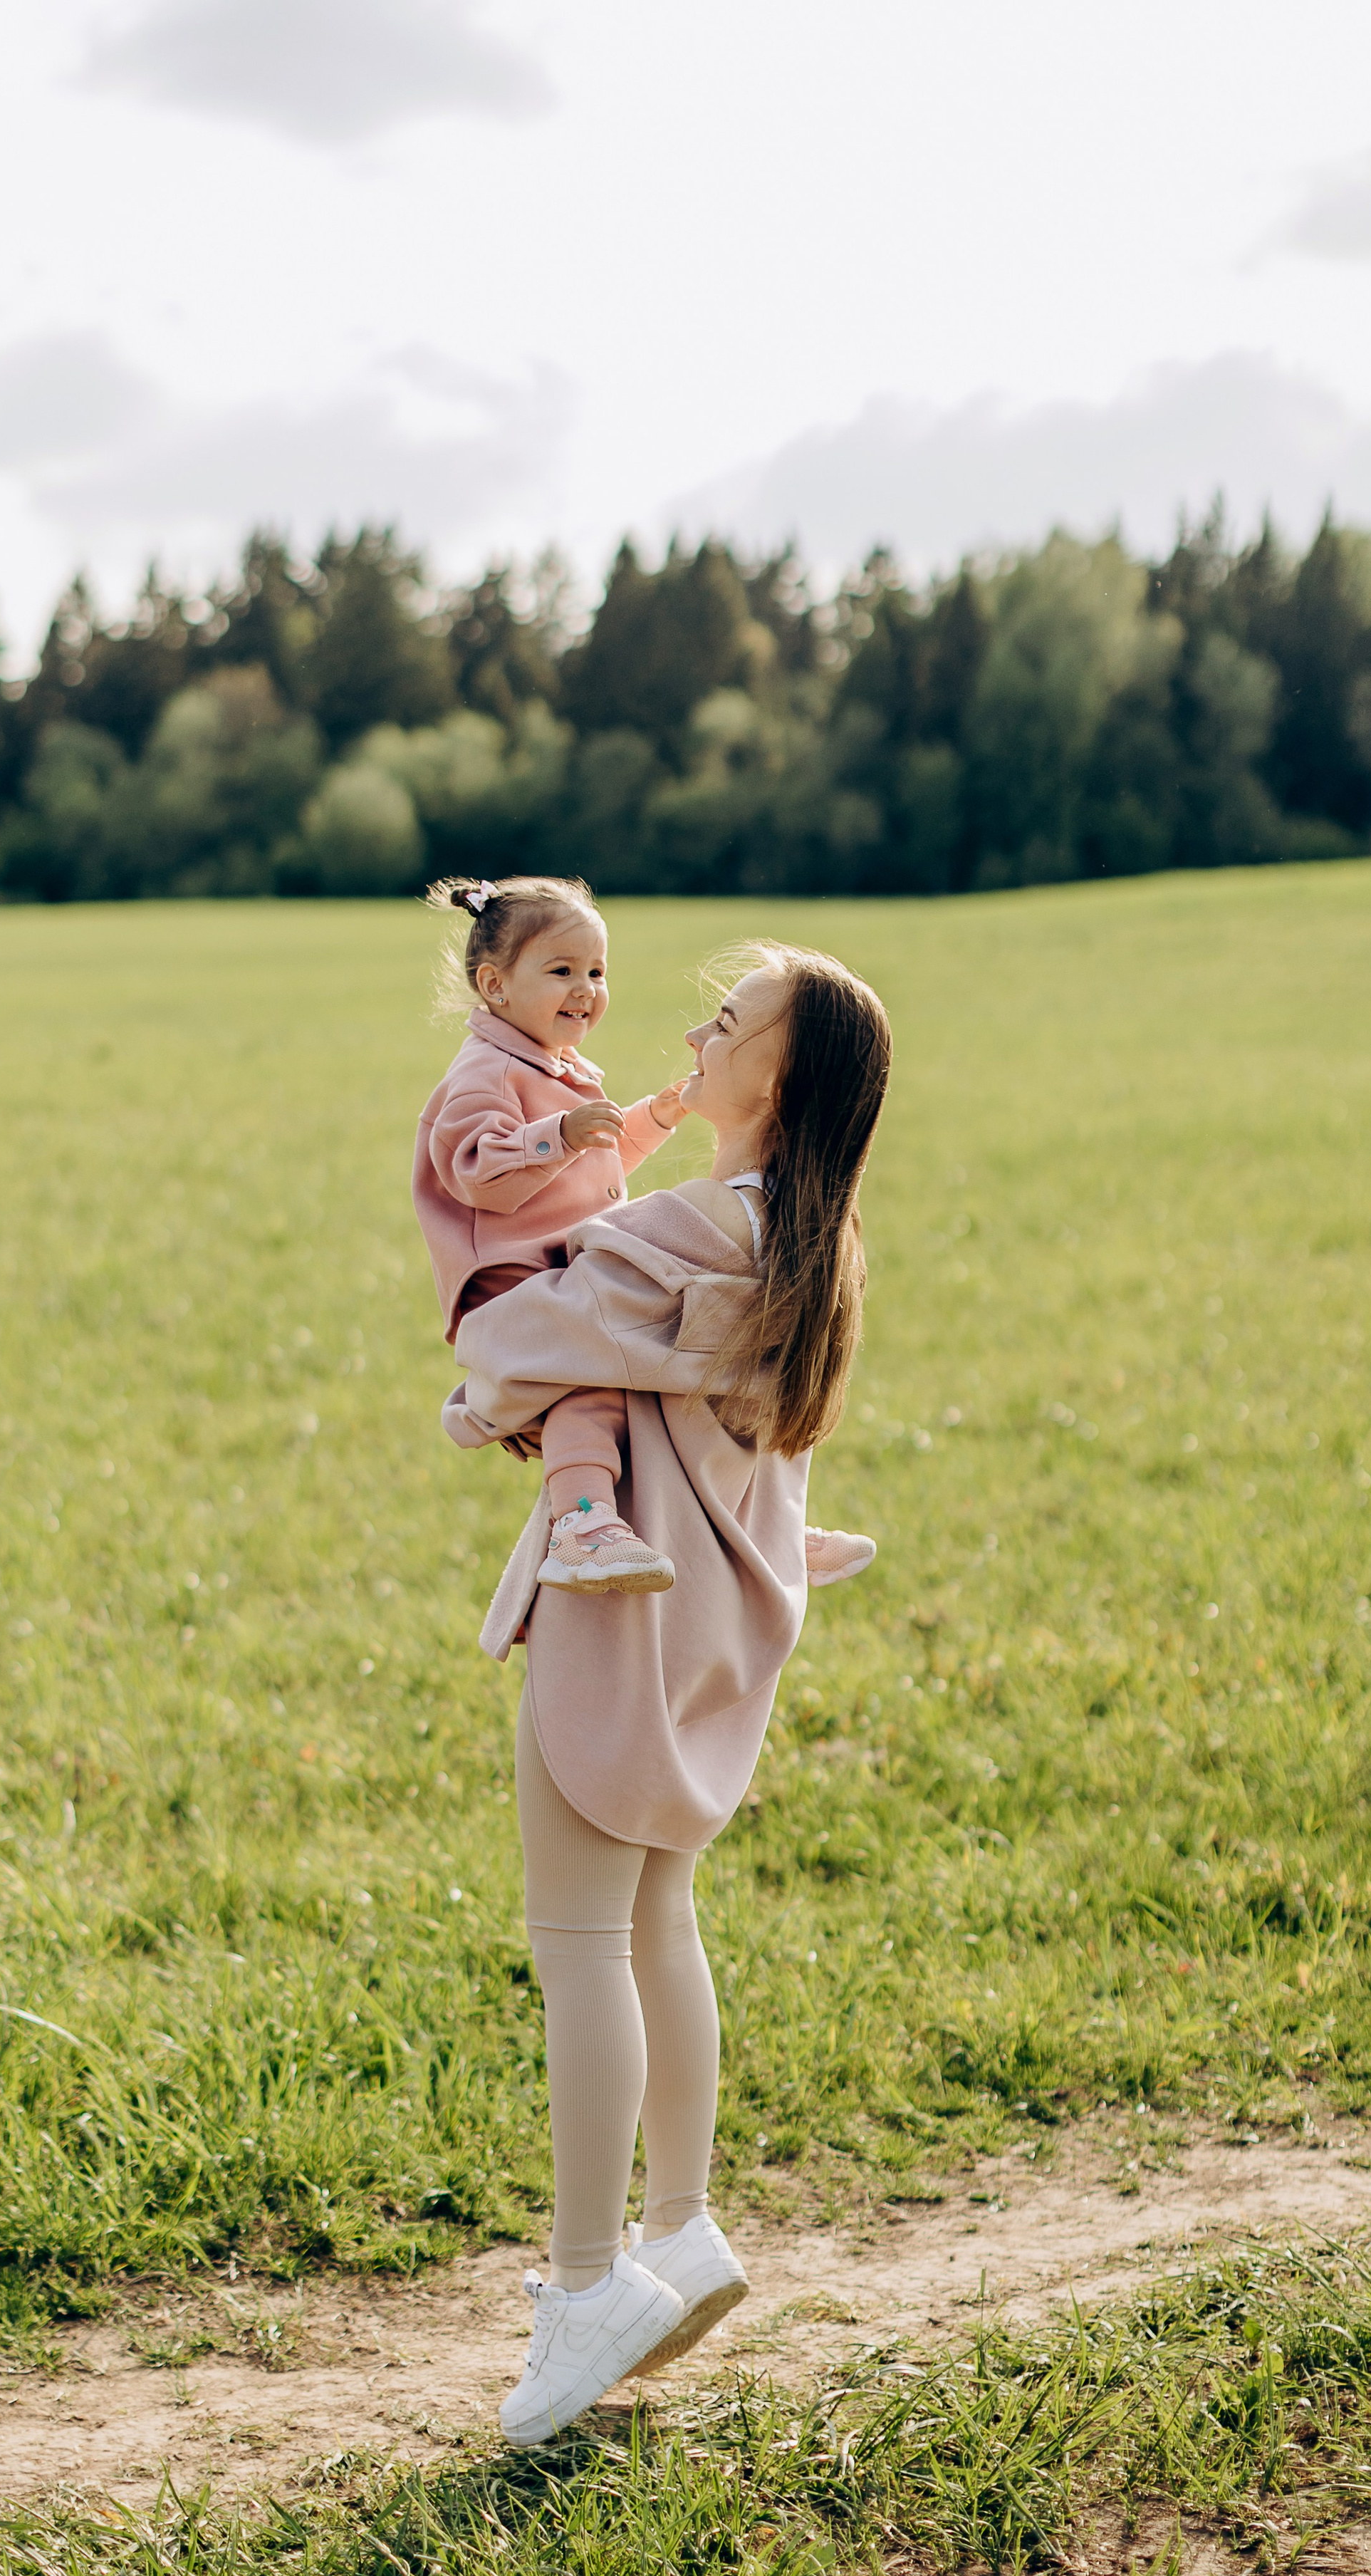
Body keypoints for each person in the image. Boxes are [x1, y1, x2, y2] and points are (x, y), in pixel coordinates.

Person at [439, 942, 893, 2445]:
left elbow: (508, 1342)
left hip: (619, 1621)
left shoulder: (681, 1232)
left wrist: (479, 1387)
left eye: (726, 1021)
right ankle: (681, 2226)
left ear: (780, 1078)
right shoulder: (802, 1241)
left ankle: (584, 2288)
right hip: (715, 1635)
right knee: (656, 1922)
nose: (693, 1036)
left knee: (576, 1940)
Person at [413, 875, 877, 1595]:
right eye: (562, 970)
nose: (587, 988)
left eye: (595, 971)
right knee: (588, 1398)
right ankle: (585, 1523)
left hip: (558, 1265)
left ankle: (757, 1525)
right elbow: (476, 1167)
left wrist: (644, 1124)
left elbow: (592, 1164)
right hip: (513, 1276)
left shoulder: (564, 1072)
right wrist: (555, 1136)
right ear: (494, 986)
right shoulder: (487, 1073)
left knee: (650, 1383)